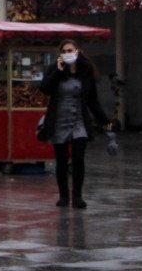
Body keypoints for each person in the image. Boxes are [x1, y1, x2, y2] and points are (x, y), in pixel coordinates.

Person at [39, 40, 111, 209]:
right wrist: (58, 71)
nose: (67, 53)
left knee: (79, 159)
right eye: (64, 51)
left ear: (77, 51)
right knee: (61, 160)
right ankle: (64, 196)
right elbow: (45, 89)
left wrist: (106, 123)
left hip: (79, 120)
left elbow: (93, 101)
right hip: (59, 120)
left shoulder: (86, 71)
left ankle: (77, 196)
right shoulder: (54, 70)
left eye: (70, 50)